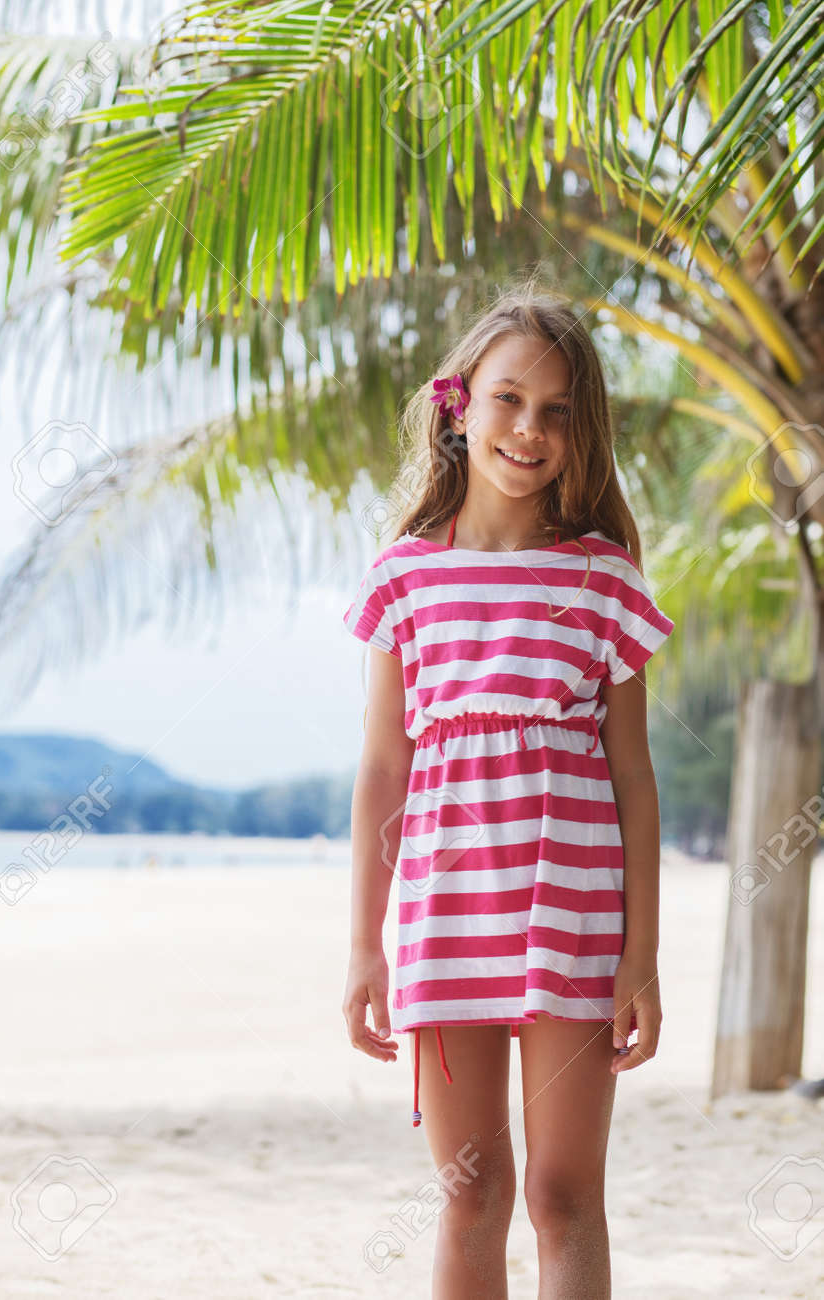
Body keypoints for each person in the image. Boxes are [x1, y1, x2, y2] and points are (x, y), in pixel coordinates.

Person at [341, 276, 675, 1299]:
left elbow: (633, 776)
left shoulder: (603, 578)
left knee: (565, 1197)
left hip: (574, 920)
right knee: (471, 1195)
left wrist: (641, 955)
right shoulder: (405, 577)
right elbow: (383, 770)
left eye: (558, 411)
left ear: (582, 432)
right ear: (458, 405)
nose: (530, 429)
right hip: (445, 915)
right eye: (509, 399)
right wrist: (364, 945)